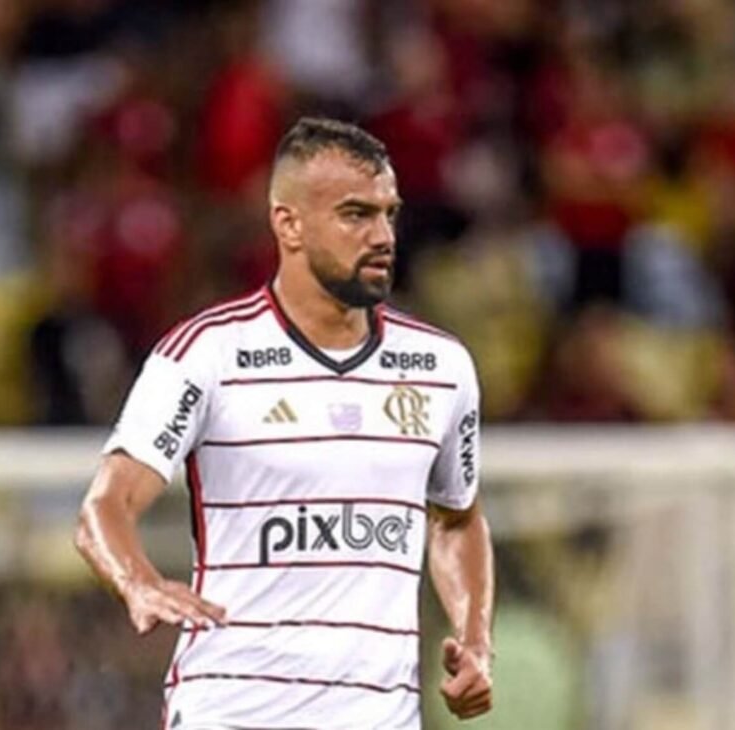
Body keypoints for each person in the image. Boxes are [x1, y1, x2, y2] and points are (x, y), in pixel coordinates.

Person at [74, 117, 495, 729]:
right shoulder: (205, 353)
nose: (382, 236)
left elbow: (457, 519)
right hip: (234, 710)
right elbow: (103, 508)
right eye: (356, 214)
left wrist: (475, 637)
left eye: (389, 214)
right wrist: (136, 580)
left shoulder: (441, 367)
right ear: (288, 223)